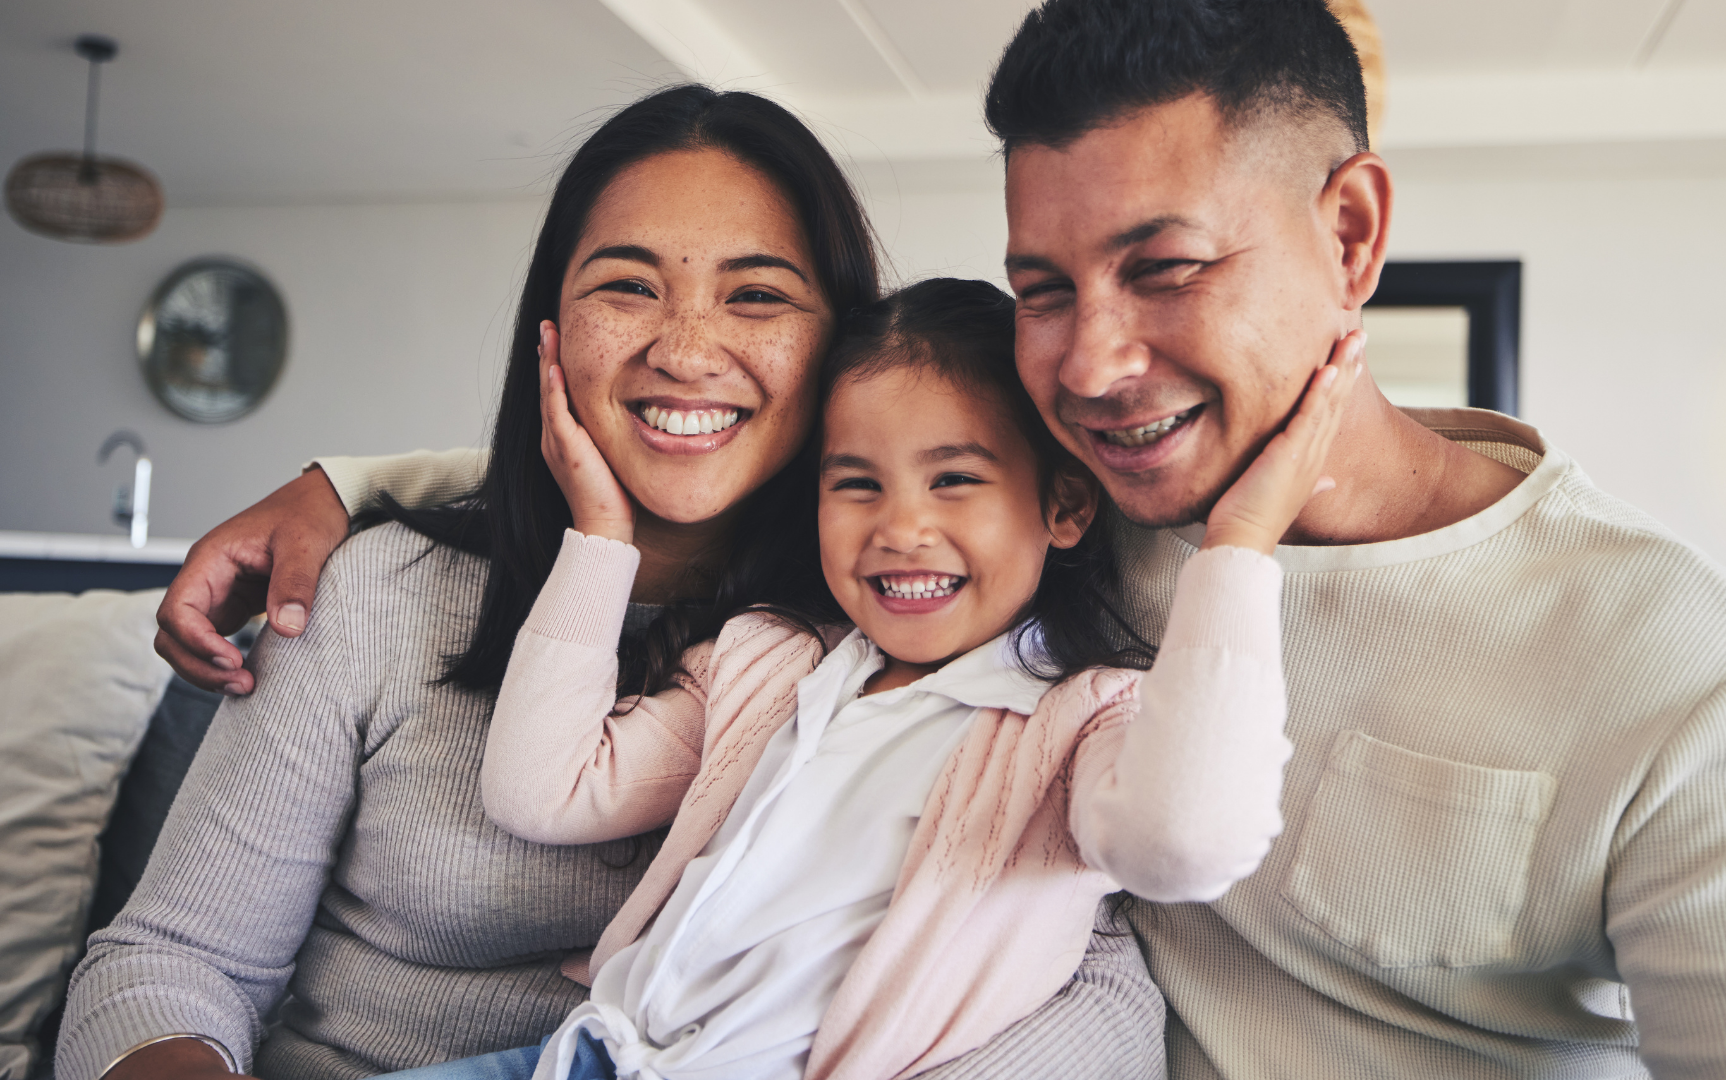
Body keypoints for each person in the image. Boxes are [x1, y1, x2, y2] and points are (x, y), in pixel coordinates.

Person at [150, 1, 1726, 1076]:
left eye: (1166, 271)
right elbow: (743, 441)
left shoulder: (1678, 678)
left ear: (1356, 231)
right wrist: (350, 476)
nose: (1092, 362)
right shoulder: (1046, 539)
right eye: (1044, 291)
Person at [56, 87, 1164, 1080]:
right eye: (628, 286)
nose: (685, 350)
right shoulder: (374, 593)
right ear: (553, 327)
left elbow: (1089, 974)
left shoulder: (900, 629)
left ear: (845, 352)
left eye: (757, 297)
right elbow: (173, 959)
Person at [381, 277, 1350, 1080]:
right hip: (583, 1055)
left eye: (955, 479)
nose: (899, 526)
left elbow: (1185, 846)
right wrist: (600, 534)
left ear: (1062, 506)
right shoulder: (767, 664)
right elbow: (541, 790)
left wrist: (1238, 546)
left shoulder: (1080, 727)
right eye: (856, 482)